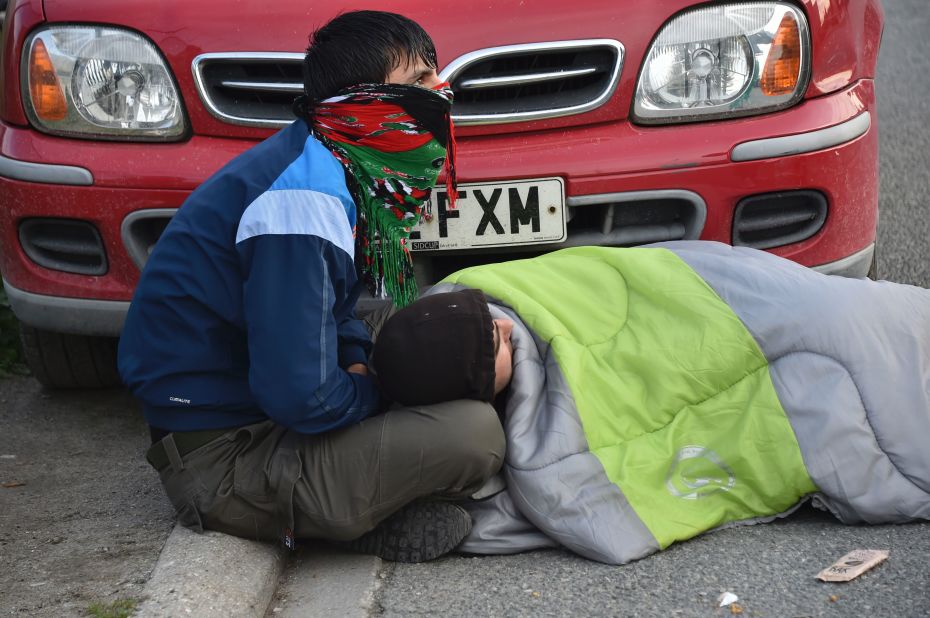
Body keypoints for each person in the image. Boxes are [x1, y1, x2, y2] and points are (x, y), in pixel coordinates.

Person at [117, 10, 505, 563]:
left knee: (429, 329)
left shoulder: (331, 159)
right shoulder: (303, 203)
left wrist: (359, 359)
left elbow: (335, 304)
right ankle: (333, 525)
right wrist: (385, 393)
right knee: (474, 434)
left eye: (434, 74)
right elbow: (301, 396)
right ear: (360, 100)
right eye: (418, 81)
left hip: (260, 410)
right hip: (222, 460)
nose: (439, 92)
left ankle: (353, 498)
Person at [371, 242, 930, 564]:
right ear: (473, 390)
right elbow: (570, 484)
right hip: (786, 351)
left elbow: (608, 279)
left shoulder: (464, 308)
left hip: (742, 299)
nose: (501, 327)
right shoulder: (471, 409)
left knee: (841, 323)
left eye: (490, 321)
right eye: (492, 344)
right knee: (829, 389)